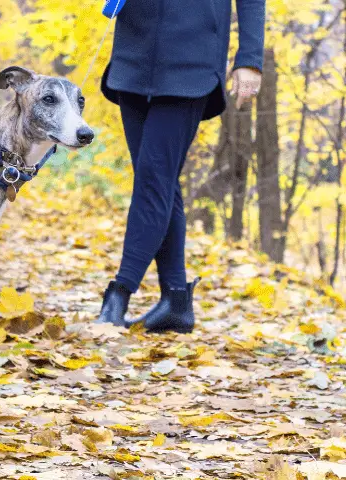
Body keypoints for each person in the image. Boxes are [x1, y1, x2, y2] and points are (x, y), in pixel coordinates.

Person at [96, 0, 265, 332]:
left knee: (153, 181)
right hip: (132, 54)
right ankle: (175, 300)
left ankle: (119, 295)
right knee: (158, 181)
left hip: (193, 61)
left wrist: (250, 59)